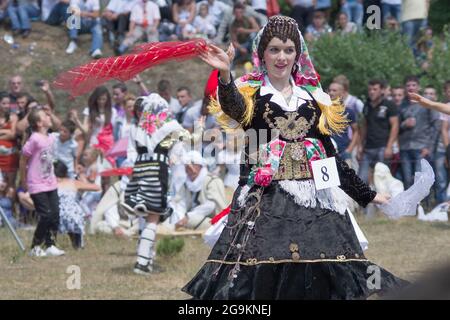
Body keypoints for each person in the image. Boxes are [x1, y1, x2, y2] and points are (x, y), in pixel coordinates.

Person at [183, 16, 406, 300]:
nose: (281, 56)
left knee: (325, 274)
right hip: (266, 203)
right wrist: (225, 76)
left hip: (313, 204)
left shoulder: (314, 100)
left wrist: (369, 195)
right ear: (262, 53)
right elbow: (235, 109)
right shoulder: (252, 95)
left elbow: (329, 161)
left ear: (297, 54)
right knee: (259, 278)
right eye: (274, 49)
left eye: (288, 50)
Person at [20, 108, 65, 257]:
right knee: (45, 215)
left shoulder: (51, 137)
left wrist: (50, 113)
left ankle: (50, 244)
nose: (48, 116)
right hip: (36, 184)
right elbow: (23, 159)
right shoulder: (34, 139)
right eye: (45, 116)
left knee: (55, 214)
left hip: (50, 182)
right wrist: (23, 180)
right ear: (39, 123)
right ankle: (35, 246)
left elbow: (59, 126)